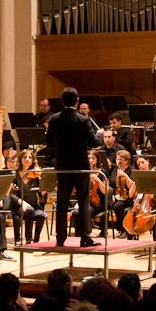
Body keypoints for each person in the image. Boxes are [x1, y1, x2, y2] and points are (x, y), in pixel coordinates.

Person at [47, 87, 101, 247]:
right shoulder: (83, 119)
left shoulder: (54, 119)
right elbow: (93, 142)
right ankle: (85, 237)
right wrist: (100, 135)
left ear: (62, 101)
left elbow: (49, 143)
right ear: (77, 101)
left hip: (62, 166)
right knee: (83, 201)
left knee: (62, 201)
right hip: (80, 167)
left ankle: (60, 238)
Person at [11, 149, 47, 244]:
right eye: (25, 157)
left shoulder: (35, 174)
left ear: (33, 160)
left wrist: (43, 183)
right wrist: (21, 202)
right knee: (29, 210)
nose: (27, 159)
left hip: (34, 205)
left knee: (41, 215)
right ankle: (28, 239)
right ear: (20, 159)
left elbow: (42, 194)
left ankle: (36, 241)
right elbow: (11, 194)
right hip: (19, 206)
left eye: (30, 157)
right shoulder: (15, 174)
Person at [109, 151, 136, 239]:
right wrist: (112, 195)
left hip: (128, 197)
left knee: (118, 207)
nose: (119, 162)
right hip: (116, 195)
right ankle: (103, 230)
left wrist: (124, 175)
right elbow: (111, 184)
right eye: (117, 159)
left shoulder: (131, 171)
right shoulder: (114, 170)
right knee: (110, 204)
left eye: (121, 160)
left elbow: (132, 185)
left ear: (127, 161)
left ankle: (123, 229)